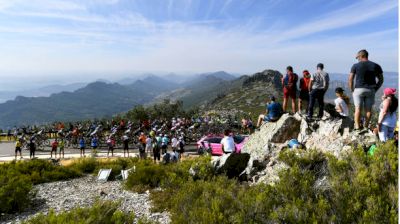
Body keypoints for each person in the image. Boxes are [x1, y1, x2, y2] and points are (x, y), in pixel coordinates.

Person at [348, 49, 384, 130]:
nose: (358, 59)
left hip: (358, 89)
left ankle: (357, 127)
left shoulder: (355, 66)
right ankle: (366, 126)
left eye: (358, 57)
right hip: (370, 89)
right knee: (368, 109)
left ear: (362, 56)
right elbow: (381, 80)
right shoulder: (376, 65)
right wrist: (375, 89)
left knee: (358, 109)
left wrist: (352, 90)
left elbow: (350, 79)